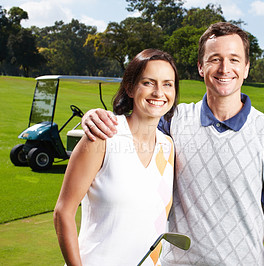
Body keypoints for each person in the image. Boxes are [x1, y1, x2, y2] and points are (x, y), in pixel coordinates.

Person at [81, 22, 264, 265]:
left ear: (246, 68)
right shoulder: (172, 120)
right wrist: (94, 115)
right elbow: (134, 123)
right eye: (215, 59)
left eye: (234, 60)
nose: (225, 68)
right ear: (200, 67)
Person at [53, 49, 179, 266]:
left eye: (167, 84)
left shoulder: (167, 147)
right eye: (148, 82)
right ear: (130, 87)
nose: (159, 92)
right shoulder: (102, 137)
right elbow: (63, 213)